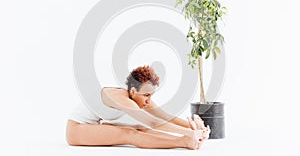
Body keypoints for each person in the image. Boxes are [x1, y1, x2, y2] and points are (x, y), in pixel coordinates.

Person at [66, 65, 210, 150]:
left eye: (151, 95)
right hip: (76, 129)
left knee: (139, 128)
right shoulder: (122, 99)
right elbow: (152, 122)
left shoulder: (138, 97)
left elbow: (163, 116)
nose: (149, 100)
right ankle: (184, 142)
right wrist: (188, 134)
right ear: (134, 91)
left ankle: (187, 139)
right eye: (146, 95)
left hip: (94, 125)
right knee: (130, 134)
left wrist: (194, 128)